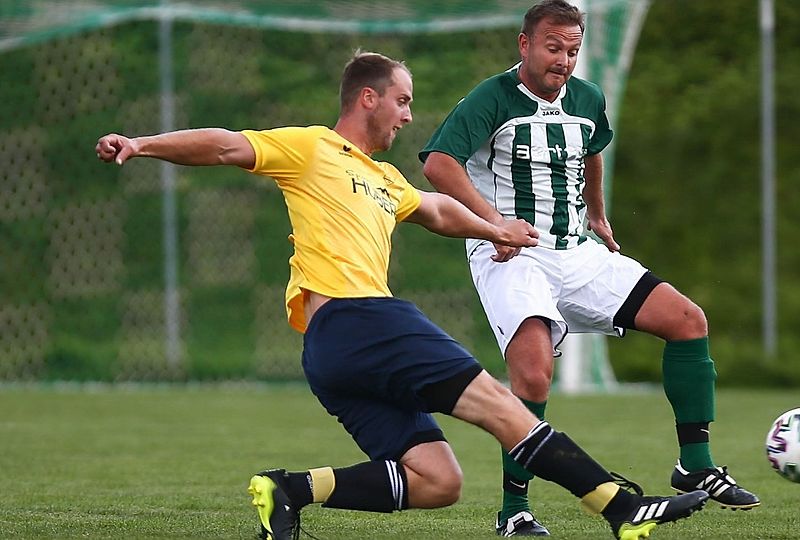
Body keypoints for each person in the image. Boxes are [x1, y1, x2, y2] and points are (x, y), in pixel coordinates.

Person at [95, 51, 708, 540]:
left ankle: (290, 490)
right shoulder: (312, 148)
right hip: (362, 318)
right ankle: (621, 508)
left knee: (438, 481)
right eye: (403, 100)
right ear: (369, 97)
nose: (408, 115)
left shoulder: (384, 177)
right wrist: (142, 144)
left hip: (331, 357)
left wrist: (495, 227)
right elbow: (227, 144)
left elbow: (437, 210)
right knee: (503, 406)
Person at [420, 1, 760, 535]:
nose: (563, 59)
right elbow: (438, 162)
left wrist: (598, 213)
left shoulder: (587, 97)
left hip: (577, 252)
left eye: (573, 50)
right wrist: (493, 223)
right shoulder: (491, 98)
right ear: (525, 45)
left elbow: (593, 147)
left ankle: (695, 466)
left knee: (687, 321)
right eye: (553, 47)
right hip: (512, 255)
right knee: (532, 372)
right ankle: (514, 511)